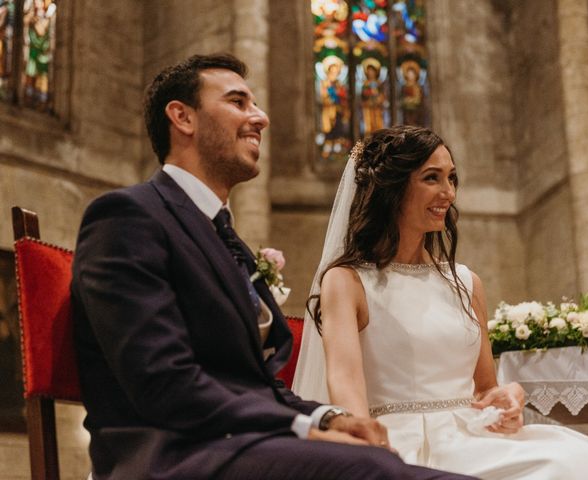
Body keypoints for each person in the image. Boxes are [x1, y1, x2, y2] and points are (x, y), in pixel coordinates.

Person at [71, 53, 476, 480]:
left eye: (255, 104)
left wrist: (328, 418)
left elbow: (256, 386)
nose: (260, 118)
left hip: (238, 445)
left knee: (377, 458)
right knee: (372, 468)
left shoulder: (224, 238)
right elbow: (161, 381)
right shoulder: (127, 217)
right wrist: (300, 428)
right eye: (238, 102)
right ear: (182, 117)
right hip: (171, 456)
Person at [292, 125, 588, 479]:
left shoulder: (467, 283)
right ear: (391, 188)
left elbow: (484, 387)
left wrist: (507, 397)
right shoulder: (347, 281)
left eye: (452, 178)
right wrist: (374, 457)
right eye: (431, 178)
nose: (448, 192)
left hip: (472, 434)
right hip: (398, 443)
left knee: (580, 458)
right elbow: (346, 391)